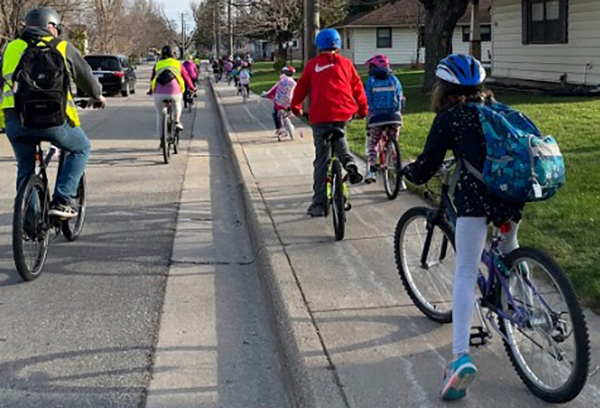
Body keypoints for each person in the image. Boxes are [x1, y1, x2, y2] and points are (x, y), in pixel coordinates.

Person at [401, 54, 524, 401]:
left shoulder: (450, 118)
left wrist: (410, 172)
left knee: (466, 273)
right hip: (512, 193)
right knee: (507, 249)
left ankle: (459, 359)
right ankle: (519, 302)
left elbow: (427, 165)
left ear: (443, 88)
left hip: (475, 201)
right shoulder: (495, 108)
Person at [1, 7, 105, 218]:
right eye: (56, 27)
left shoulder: (11, 48)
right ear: (50, 27)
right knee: (81, 148)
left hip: (16, 119)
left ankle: (30, 223)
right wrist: (97, 96)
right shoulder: (63, 47)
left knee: (25, 167)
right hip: (53, 120)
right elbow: (89, 81)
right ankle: (62, 199)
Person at [291, 28, 367, 217]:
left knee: (321, 160)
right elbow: (357, 88)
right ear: (338, 46)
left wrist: (296, 107)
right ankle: (349, 163)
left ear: (319, 47)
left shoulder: (312, 65)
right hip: (343, 114)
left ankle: (318, 204)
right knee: (339, 136)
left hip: (319, 117)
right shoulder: (346, 64)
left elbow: (300, 88)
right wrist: (363, 110)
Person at [363, 54, 405, 186]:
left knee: (373, 143)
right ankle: (400, 176)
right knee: (393, 145)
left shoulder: (371, 81)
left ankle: (371, 170)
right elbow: (401, 98)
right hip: (394, 117)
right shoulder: (394, 79)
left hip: (377, 118)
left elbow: (367, 101)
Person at [148, 45, 195, 139]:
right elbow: (186, 77)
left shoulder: (158, 64)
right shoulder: (177, 64)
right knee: (177, 104)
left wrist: (150, 91)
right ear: (173, 54)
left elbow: (153, 78)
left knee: (160, 116)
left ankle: (162, 140)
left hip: (158, 92)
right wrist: (192, 88)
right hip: (174, 91)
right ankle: (177, 121)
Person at [262, 65, 297, 140]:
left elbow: (272, 91)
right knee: (289, 110)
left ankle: (279, 129)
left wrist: (265, 95)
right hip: (291, 102)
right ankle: (290, 114)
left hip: (280, 103)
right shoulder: (294, 83)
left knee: (275, 114)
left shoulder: (281, 82)